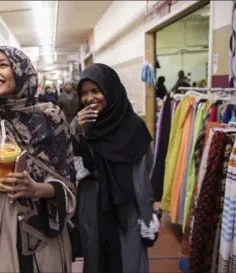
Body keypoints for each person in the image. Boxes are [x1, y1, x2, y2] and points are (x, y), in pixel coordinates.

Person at [0, 46, 76, 273]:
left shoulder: (50, 117)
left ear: (21, 70)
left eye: (2, 65)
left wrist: (35, 188)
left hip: (43, 223)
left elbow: (68, 181)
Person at [71, 63, 157, 273]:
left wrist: (147, 215)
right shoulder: (83, 125)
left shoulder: (134, 127)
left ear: (110, 89)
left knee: (127, 262)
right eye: (84, 93)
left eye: (96, 91)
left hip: (126, 211)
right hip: (92, 208)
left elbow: (142, 177)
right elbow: (69, 166)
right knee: (96, 261)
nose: (89, 98)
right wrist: (75, 131)